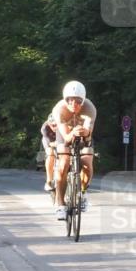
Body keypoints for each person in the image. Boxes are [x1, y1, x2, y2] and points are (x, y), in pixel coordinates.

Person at [51, 81, 97, 220]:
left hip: (83, 134)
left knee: (87, 163)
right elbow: (66, 137)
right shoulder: (59, 110)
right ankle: (60, 204)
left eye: (78, 101)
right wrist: (73, 132)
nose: (73, 105)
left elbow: (88, 136)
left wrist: (84, 132)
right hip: (65, 134)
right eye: (70, 101)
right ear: (65, 99)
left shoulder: (90, 109)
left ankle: (82, 193)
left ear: (83, 100)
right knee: (63, 164)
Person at [41, 117, 58, 192]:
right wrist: (54, 144)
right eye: (52, 125)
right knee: (50, 153)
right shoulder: (45, 128)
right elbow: (49, 142)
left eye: (56, 125)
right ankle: (49, 180)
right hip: (49, 140)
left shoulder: (62, 124)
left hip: (60, 140)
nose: (55, 127)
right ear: (49, 124)